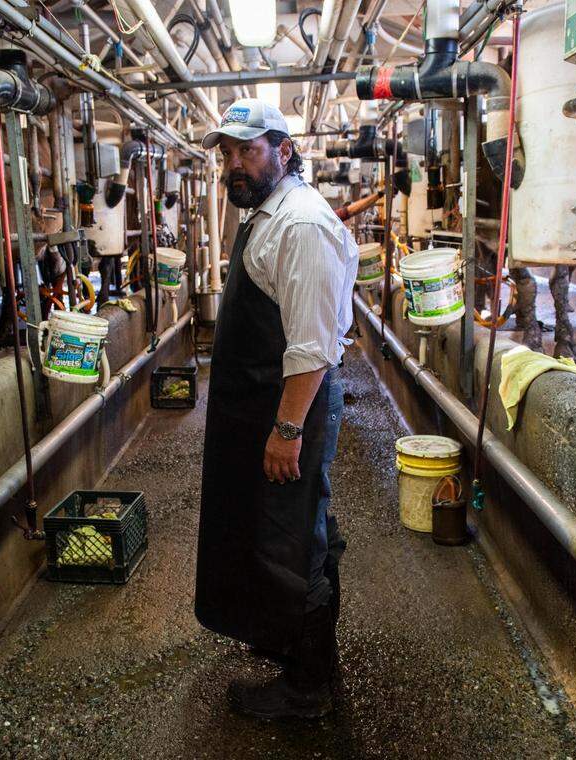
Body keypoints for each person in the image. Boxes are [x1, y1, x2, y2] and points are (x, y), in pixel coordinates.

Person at [193, 98, 359, 720]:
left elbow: (313, 346)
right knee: (275, 530)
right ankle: (291, 642)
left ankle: (309, 686)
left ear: (284, 151)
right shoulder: (267, 213)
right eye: (228, 153)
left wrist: (287, 429)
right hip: (263, 408)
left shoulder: (301, 224)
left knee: (294, 540)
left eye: (248, 151)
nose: (235, 164)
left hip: (290, 409)